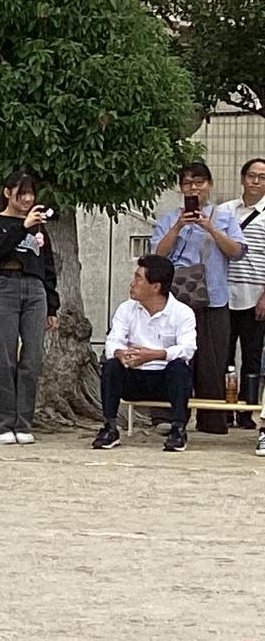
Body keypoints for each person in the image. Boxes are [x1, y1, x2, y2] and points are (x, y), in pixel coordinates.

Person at [151, 160, 247, 435]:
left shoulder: (225, 217)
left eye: (199, 182)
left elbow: (237, 252)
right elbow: (158, 255)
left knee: (212, 358)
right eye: (187, 183)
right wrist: (179, 226)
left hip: (214, 296)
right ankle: (167, 415)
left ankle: (212, 419)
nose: (194, 188)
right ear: (180, 187)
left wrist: (211, 229)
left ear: (209, 185)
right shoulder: (170, 218)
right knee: (173, 355)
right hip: (176, 298)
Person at [0, 170, 58, 446]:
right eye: (21, 193)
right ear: (7, 193)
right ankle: (2, 422)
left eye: (30, 193)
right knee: (3, 355)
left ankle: (23, 421)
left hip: (35, 289)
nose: (27, 198)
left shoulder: (39, 226)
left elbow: (48, 265)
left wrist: (52, 305)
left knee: (32, 356)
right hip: (5, 285)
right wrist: (22, 226)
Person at [91, 254, 196, 453]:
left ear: (155, 287)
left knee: (179, 367)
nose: (132, 283)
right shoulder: (126, 309)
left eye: (138, 278)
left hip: (165, 379)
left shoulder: (182, 313)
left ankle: (178, 429)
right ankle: (110, 427)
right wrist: (120, 353)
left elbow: (188, 348)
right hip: (135, 376)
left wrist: (155, 355)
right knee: (111, 365)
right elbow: (112, 341)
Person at [218, 157, 265, 432]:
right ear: (242, 177)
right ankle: (224, 409)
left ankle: (247, 411)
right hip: (224, 294)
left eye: (262, 177)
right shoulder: (225, 210)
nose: (256, 181)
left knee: (252, 355)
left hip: (254, 294)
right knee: (222, 355)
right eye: (251, 175)